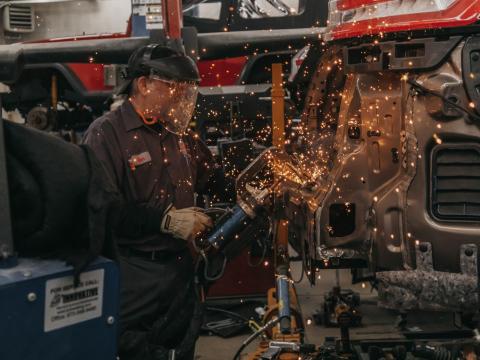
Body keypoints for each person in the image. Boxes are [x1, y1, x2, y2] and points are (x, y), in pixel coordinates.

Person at [82, 44, 216, 360]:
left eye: (187, 91)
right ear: (144, 84)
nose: (182, 99)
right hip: (136, 272)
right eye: (175, 88)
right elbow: (103, 207)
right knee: (133, 348)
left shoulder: (179, 135)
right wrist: (165, 220)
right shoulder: (107, 134)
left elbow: (213, 178)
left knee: (180, 347)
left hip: (181, 268)